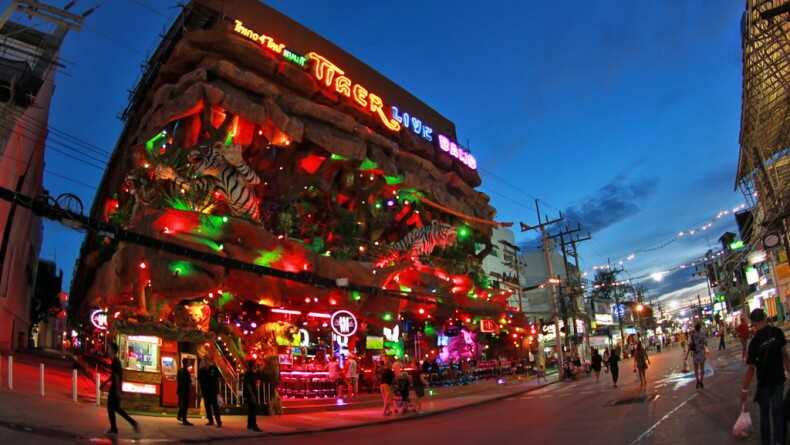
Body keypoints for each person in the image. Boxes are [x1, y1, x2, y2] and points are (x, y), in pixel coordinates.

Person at [740, 308, 790, 445]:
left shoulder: (755, 342)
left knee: (765, 415)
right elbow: (785, 355)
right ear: (765, 318)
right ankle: (779, 441)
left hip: (764, 384)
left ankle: (767, 441)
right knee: (777, 412)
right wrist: (789, 371)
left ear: (754, 323)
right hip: (779, 380)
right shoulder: (777, 333)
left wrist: (744, 389)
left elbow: (751, 369)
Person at [102, 342, 139, 435]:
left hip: (114, 389)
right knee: (116, 409)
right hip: (115, 388)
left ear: (113, 351)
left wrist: (118, 391)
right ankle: (132, 423)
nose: (108, 350)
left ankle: (114, 429)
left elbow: (117, 377)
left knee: (111, 408)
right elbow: (114, 376)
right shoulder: (115, 361)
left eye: (109, 349)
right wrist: (105, 383)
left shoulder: (115, 362)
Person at [197, 359, 222, 427]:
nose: (204, 363)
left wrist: (218, 390)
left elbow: (219, 378)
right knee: (207, 406)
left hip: (213, 390)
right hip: (205, 391)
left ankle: (218, 421)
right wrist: (200, 391)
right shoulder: (201, 371)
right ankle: (210, 420)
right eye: (203, 362)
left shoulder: (213, 368)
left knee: (215, 406)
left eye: (206, 361)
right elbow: (199, 381)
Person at [685, 323, 707, 389]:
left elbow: (690, 346)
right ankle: (701, 381)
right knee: (702, 368)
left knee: (696, 369)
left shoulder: (692, 335)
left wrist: (686, 355)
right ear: (700, 328)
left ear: (695, 328)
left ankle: (697, 380)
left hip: (695, 353)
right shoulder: (703, 334)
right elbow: (705, 343)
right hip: (702, 353)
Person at [243, 360, 262, 432]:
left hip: (253, 393)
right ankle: (254, 425)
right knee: (253, 409)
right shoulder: (248, 373)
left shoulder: (254, 373)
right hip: (250, 394)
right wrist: (252, 395)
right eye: (255, 364)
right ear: (252, 365)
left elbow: (258, 379)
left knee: (251, 409)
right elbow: (248, 385)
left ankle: (250, 424)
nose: (256, 365)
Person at [177, 359, 193, 426]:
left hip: (180, 389)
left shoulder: (179, 370)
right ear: (186, 364)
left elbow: (178, 380)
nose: (189, 364)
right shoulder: (186, 371)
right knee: (185, 405)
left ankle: (179, 416)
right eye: (188, 363)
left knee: (182, 404)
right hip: (185, 390)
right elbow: (189, 381)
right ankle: (184, 420)